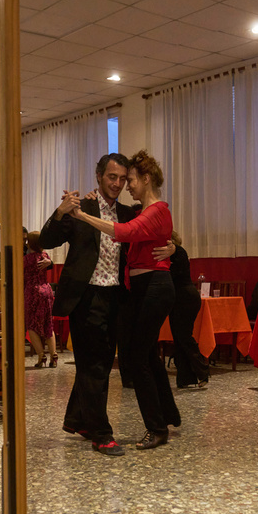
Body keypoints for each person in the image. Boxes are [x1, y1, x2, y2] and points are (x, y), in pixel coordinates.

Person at [70, 150, 179, 450]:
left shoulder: (156, 211)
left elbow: (124, 232)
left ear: (145, 179)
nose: (126, 185)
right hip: (143, 288)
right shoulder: (145, 211)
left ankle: (157, 427)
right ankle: (166, 416)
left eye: (130, 180)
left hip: (154, 287)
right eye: (118, 178)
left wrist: (82, 215)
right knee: (142, 358)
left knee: (137, 359)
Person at [38, 153, 136, 457]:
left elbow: (149, 234)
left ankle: (78, 419)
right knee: (92, 365)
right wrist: (60, 212)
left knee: (103, 364)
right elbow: (47, 238)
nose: (117, 183)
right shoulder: (82, 209)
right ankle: (101, 433)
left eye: (122, 178)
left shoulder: (127, 213)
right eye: (111, 177)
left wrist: (172, 245)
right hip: (86, 297)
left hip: (114, 297)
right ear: (99, 176)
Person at [167, 231, 209, 389]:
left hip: (184, 299)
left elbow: (172, 275)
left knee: (184, 337)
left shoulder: (178, 252)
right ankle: (185, 378)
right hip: (181, 299)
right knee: (179, 339)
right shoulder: (178, 252)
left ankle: (202, 371)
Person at [24, 230, 58, 368]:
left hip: (32, 292)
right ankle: (53, 355)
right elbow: (49, 266)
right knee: (48, 324)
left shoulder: (26, 260)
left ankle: (41, 356)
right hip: (47, 290)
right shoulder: (45, 256)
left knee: (32, 326)